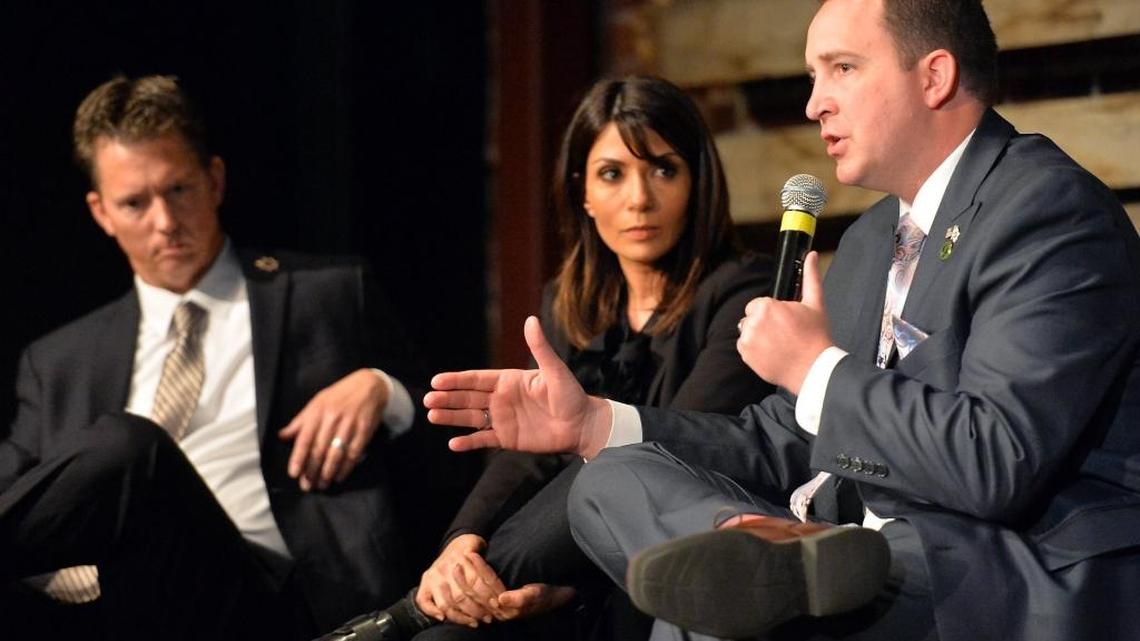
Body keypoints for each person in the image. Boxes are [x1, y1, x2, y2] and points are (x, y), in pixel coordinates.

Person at [421, 1, 1140, 640]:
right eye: (811, 75)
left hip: (995, 569)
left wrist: (816, 367)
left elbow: (995, 460)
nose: (814, 104)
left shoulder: (1048, 212)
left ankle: (765, 569)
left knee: (713, 607)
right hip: (851, 552)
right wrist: (595, 424)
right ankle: (758, 557)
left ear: (935, 76)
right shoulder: (868, 241)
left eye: (841, 69)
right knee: (613, 478)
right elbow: (781, 436)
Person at [320, 76, 775, 641]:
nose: (639, 198)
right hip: (568, 568)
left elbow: (676, 454)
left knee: (621, 461)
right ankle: (433, 602)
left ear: (698, 182)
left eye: (663, 168)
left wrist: (569, 586)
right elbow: (526, 459)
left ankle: (414, 611)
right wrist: (461, 543)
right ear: (583, 191)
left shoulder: (747, 291)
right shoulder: (570, 301)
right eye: (613, 174)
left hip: (674, 565)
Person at [0, 75, 431, 640]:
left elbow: (454, 439)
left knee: (132, 447)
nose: (164, 221)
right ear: (101, 213)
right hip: (109, 611)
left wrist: (385, 390)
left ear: (215, 180)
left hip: (272, 601)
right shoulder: (58, 361)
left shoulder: (324, 293)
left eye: (178, 189)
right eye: (134, 203)